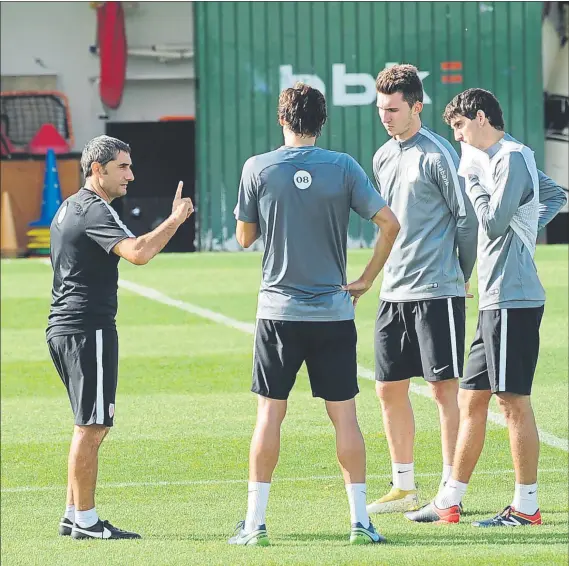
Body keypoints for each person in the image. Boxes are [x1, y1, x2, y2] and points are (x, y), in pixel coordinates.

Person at [229, 83, 400, 546]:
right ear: (322, 122)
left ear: (282, 119)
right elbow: (390, 224)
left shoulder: (257, 168)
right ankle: (361, 522)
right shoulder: (342, 166)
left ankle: (255, 523)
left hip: (278, 314)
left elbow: (244, 238)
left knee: (269, 415)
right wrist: (365, 279)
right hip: (333, 313)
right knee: (346, 418)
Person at [405, 88, 567, 526]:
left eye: (458, 126)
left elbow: (494, 223)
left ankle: (526, 507)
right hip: (495, 298)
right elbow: (554, 198)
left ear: (479, 118)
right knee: (470, 398)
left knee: (512, 402)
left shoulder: (511, 157)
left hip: (513, 297)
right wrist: (526, 223)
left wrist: (476, 186)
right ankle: (449, 501)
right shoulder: (507, 158)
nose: (456, 137)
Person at [47, 135, 194, 540]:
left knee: (87, 424)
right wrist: (176, 219)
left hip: (67, 328)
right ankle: (86, 522)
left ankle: (72, 512)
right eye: (123, 167)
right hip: (85, 329)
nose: (131, 174)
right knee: (92, 427)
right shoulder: (94, 210)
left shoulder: (72, 206)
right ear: (98, 170)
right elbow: (139, 253)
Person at [366, 64, 478, 515]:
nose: (386, 117)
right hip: (394, 292)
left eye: (393, 109)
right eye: (380, 109)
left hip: (437, 290)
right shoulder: (381, 156)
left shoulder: (438, 154)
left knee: (442, 390)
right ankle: (404, 486)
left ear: (417, 106)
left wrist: (461, 274)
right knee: (388, 388)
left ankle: (450, 493)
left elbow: (466, 218)